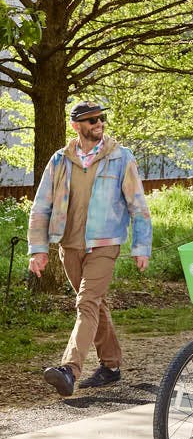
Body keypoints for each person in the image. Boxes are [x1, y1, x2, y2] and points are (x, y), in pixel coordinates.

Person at [26, 102, 152, 396]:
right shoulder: (60, 160)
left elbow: (138, 206)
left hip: (105, 245)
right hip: (69, 245)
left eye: (101, 118)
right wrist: (38, 249)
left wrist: (141, 246)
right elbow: (41, 206)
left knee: (86, 303)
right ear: (76, 126)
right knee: (95, 304)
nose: (99, 123)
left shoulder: (121, 158)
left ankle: (69, 369)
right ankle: (111, 366)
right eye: (92, 119)